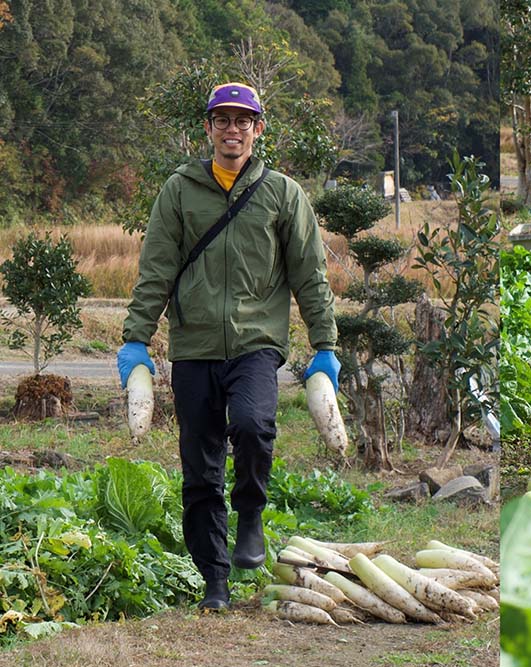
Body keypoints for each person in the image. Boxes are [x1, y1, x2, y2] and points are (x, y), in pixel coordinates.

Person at [116, 82, 341, 611]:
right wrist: (136, 339)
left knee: (254, 425)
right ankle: (214, 581)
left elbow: (310, 274)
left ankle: (251, 515)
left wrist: (325, 344)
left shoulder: (283, 193)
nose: (233, 129)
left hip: (256, 342)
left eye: (244, 121)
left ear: (258, 130)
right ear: (209, 129)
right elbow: (156, 270)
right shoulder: (179, 190)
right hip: (193, 347)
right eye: (223, 120)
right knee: (200, 470)